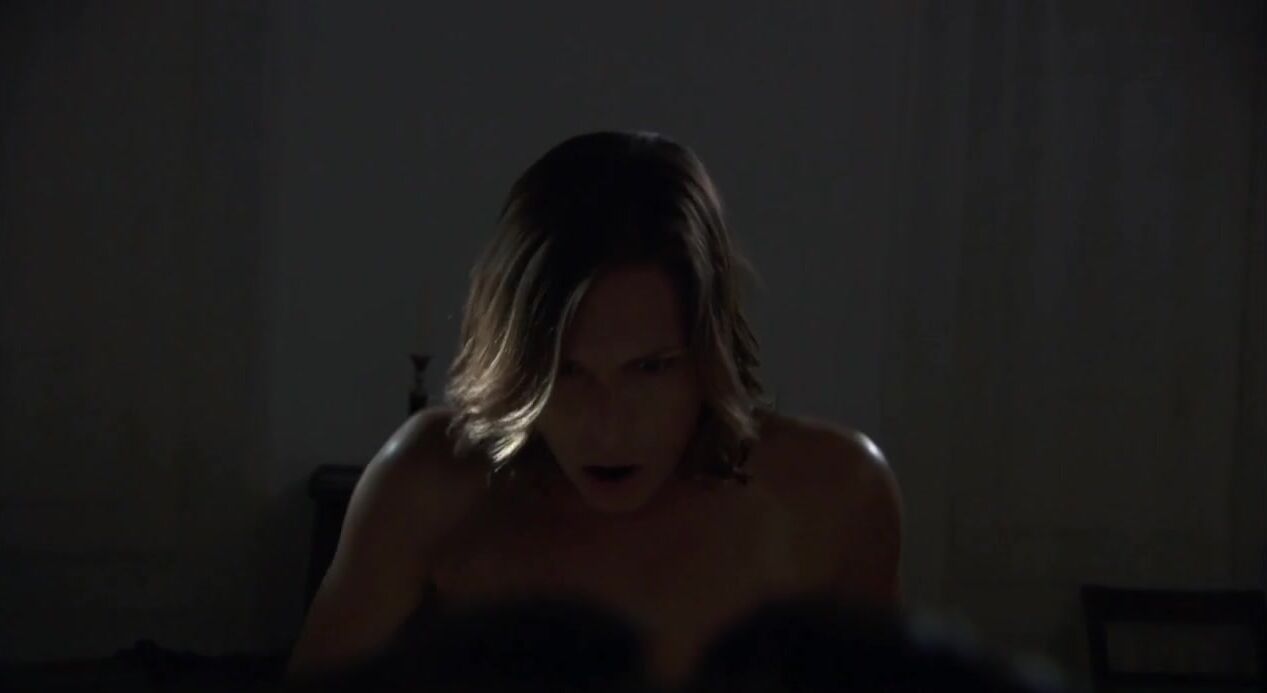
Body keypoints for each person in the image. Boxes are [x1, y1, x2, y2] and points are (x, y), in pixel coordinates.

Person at [284, 130, 904, 690]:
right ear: (519, 366)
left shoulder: (832, 498)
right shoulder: (428, 487)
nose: (608, 425)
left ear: (708, 355)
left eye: (650, 368)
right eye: (567, 372)